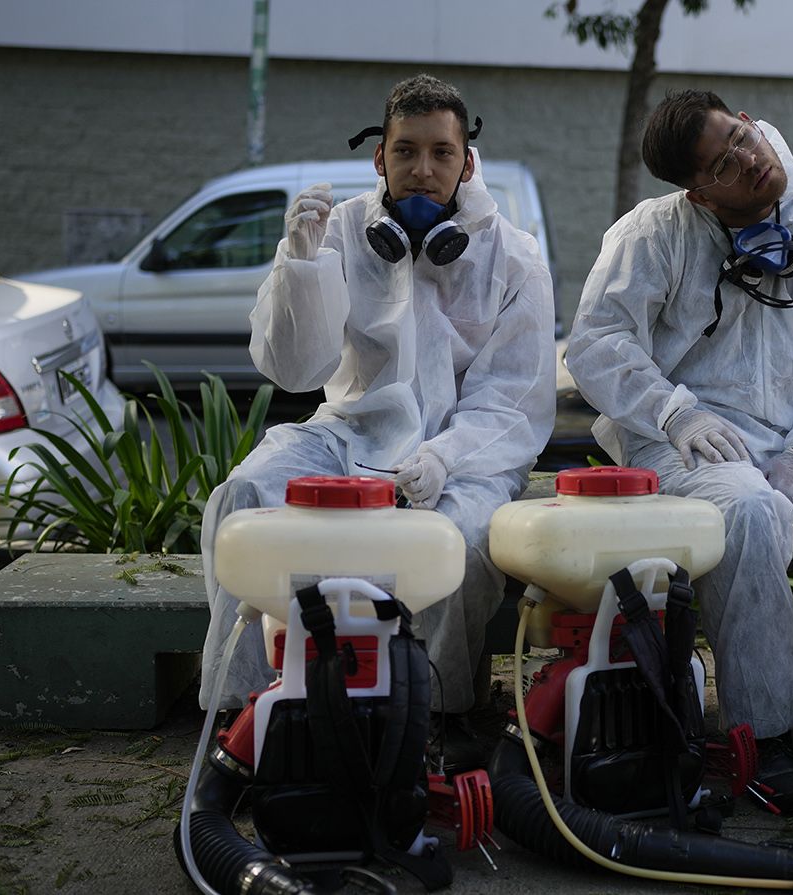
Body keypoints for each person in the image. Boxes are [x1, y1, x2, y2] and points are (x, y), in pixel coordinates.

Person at [564, 90, 793, 808]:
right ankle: (764, 739)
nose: (752, 158)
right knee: (754, 513)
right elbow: (596, 344)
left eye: (745, 136)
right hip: (687, 441)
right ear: (697, 192)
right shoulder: (652, 234)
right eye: (725, 162)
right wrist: (674, 412)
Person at [198, 75, 556, 768]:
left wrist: (448, 456)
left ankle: (443, 713)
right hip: (348, 433)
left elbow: (516, 396)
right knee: (242, 496)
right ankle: (240, 707)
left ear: (467, 162)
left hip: (466, 451)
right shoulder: (337, 232)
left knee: (464, 540)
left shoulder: (513, 255)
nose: (423, 170)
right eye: (406, 151)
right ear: (379, 159)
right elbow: (297, 373)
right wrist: (300, 265)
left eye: (441, 153)